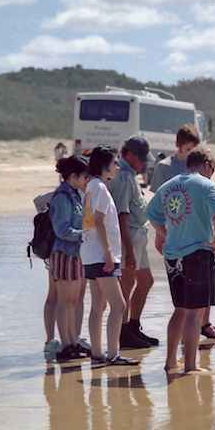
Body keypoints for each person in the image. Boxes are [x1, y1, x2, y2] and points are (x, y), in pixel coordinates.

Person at [145, 147, 215, 372]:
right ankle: (190, 365)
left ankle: (170, 360)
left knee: (179, 309)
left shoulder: (168, 185)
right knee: (195, 312)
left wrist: (166, 235)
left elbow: (150, 214)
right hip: (198, 253)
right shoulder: (206, 185)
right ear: (207, 165)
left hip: (173, 255)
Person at [82, 146, 139, 366]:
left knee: (99, 306)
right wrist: (107, 252)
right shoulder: (101, 189)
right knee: (120, 306)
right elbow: (97, 221)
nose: (117, 166)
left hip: (89, 254)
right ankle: (112, 354)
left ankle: (97, 354)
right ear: (105, 166)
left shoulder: (91, 187)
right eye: (115, 163)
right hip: (100, 255)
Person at [107, 136, 158, 349]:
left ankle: (133, 327)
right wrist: (128, 249)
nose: (144, 163)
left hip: (139, 233)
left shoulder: (130, 174)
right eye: (141, 159)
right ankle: (123, 333)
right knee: (125, 287)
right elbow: (121, 216)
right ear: (129, 154)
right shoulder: (122, 176)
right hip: (129, 236)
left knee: (146, 281)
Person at [35, 191, 89, 356]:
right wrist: (51, 218)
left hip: (81, 251)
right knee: (54, 295)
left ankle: (75, 336)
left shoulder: (86, 191)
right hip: (59, 250)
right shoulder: (63, 193)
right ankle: (51, 340)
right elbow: (38, 201)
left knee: (79, 295)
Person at [48, 155, 90, 362]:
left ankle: (73, 342)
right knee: (66, 302)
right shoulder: (63, 196)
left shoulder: (74, 194)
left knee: (73, 301)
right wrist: (85, 235)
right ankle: (66, 345)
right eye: (84, 177)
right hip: (64, 254)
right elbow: (62, 229)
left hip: (75, 254)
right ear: (73, 176)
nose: (86, 180)